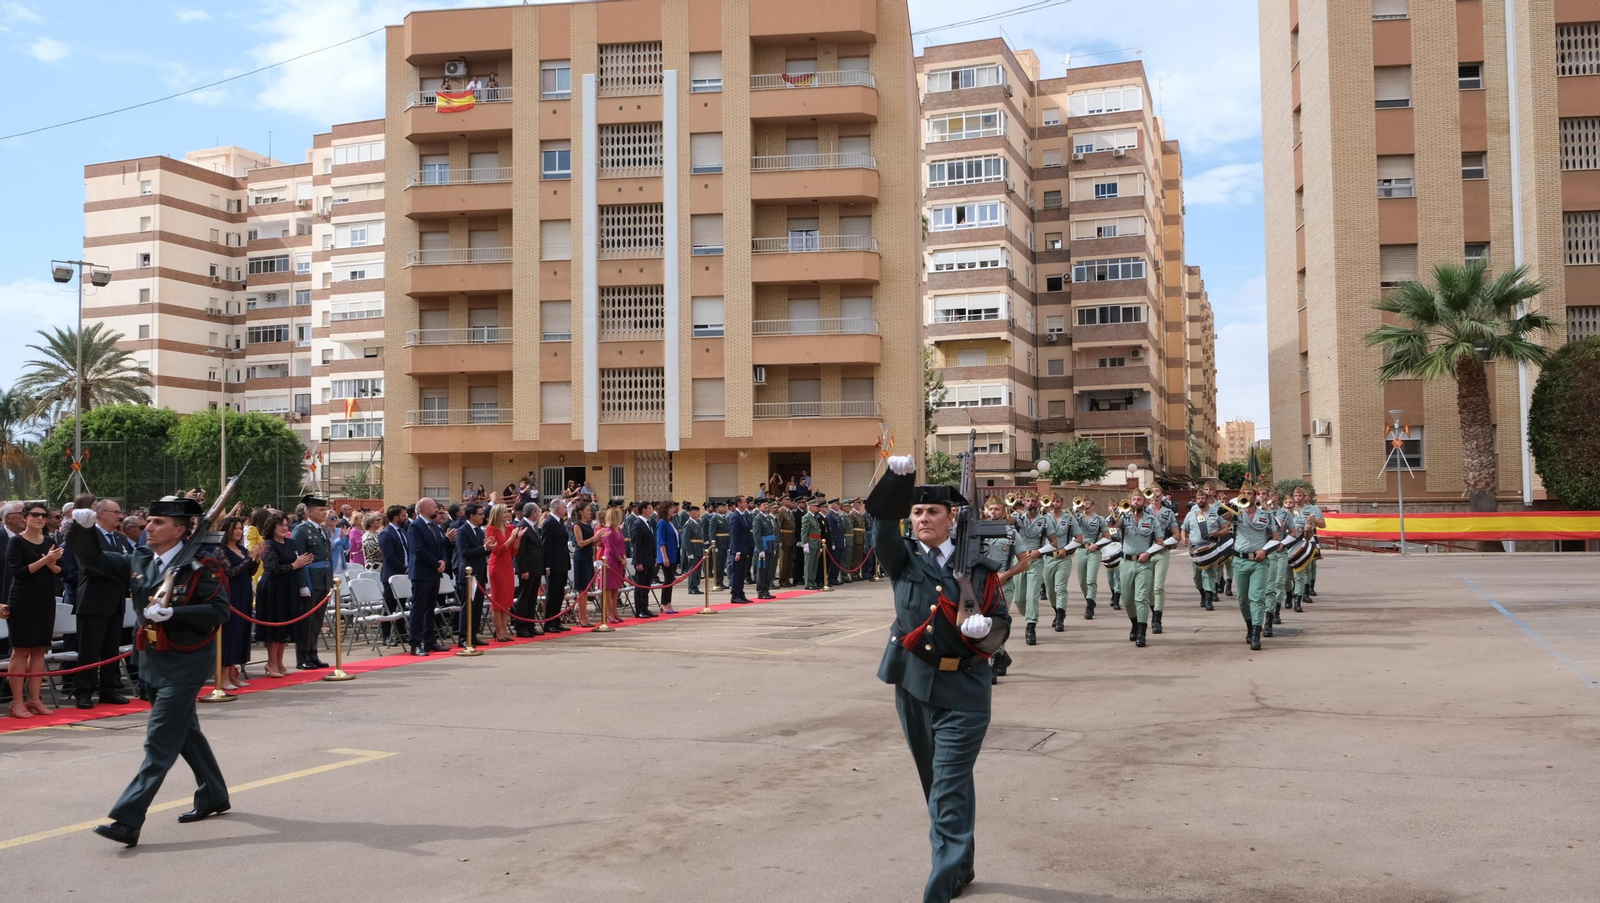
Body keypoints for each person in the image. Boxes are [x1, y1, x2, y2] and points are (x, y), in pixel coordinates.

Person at [869, 456, 1011, 902]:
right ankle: (962, 864)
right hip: (913, 685)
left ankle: (938, 889)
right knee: (939, 781)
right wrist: (897, 480)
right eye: (916, 512)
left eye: (932, 511)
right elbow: (881, 523)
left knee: (947, 788)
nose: (922, 518)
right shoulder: (903, 559)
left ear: (952, 518)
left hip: (965, 690)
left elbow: (1001, 621)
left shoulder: (981, 570)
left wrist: (988, 633)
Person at [69, 496, 233, 847]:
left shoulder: (202, 567)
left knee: (159, 742)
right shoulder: (142, 558)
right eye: (151, 521)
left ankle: (127, 819)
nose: (150, 526)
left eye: (159, 522)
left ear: (179, 530)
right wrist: (82, 531)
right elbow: (94, 561)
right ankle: (214, 794)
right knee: (186, 732)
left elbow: (219, 612)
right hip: (154, 660)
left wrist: (176, 615)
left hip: (187, 663)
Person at [70, 498, 136, 710]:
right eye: (115, 512)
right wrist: (118, 569)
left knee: (111, 649)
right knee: (89, 650)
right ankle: (84, 691)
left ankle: (109, 689)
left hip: (116, 600)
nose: (120, 516)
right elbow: (89, 566)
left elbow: (131, 565)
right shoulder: (90, 535)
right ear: (101, 514)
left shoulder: (120, 538)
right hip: (93, 600)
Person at [6, 503, 64, 717]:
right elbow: (18, 572)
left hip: (45, 599)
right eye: (35, 514)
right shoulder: (16, 542)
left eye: (43, 515)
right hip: (23, 600)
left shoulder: (50, 541)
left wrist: (52, 565)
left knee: (40, 649)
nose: (40, 518)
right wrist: (45, 560)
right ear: (25, 517)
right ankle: (17, 702)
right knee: (21, 649)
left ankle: (34, 699)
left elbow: (61, 570)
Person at [255, 513, 313, 677]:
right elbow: (272, 569)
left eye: (286, 524)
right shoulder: (269, 545)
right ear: (272, 527)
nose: (284, 527)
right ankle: (271, 663)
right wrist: (294, 565)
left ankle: (279, 663)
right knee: (274, 627)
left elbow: (295, 564)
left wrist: (304, 562)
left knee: (284, 626)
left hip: (289, 587)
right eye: (280, 524)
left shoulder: (291, 542)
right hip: (273, 588)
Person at [290, 495, 333, 670]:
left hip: (323, 579)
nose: (325, 513)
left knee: (317, 621)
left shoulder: (322, 530)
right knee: (306, 621)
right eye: (320, 510)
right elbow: (298, 559)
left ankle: (313, 654)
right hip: (310, 580)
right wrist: (302, 585)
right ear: (309, 512)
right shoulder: (301, 531)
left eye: (325, 509)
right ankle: (303, 657)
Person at [405, 498, 450, 656]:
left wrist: (443, 561)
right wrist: (436, 564)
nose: (437, 510)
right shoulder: (415, 526)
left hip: (434, 573)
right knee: (419, 609)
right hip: (422, 573)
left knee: (430, 608)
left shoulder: (434, 526)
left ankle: (429, 640)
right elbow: (419, 549)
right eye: (433, 507)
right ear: (425, 509)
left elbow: (441, 546)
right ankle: (415, 643)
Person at [217, 517, 256, 690]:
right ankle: (223, 676)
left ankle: (234, 673)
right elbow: (231, 572)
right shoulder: (221, 550)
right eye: (235, 528)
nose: (239, 531)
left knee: (241, 632)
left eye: (240, 528)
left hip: (245, 591)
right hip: (232, 593)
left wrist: (257, 558)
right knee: (230, 633)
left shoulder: (241, 548)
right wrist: (250, 558)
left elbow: (250, 571)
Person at [1010, 497, 1049, 646]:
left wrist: (1039, 551)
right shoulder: (1017, 518)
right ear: (1024, 503)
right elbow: (1007, 520)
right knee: (1019, 599)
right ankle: (1029, 616)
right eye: (1027, 501)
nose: (1030, 503)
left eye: (1033, 501)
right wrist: (1011, 504)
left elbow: (1054, 542)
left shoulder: (1045, 520)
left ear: (1037, 503)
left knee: (1032, 595)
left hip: (1036, 560)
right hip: (1019, 560)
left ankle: (1031, 627)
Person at [452, 503, 490, 648]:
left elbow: (481, 551)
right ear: (472, 515)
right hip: (468, 575)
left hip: (479, 573)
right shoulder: (462, 531)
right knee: (467, 606)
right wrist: (483, 548)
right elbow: (465, 553)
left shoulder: (480, 531)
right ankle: (463, 637)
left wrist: (487, 549)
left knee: (477, 606)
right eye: (480, 514)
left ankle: (473, 634)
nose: (483, 516)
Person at [1146, 486, 1182, 635]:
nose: (1154, 494)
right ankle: (1153, 611)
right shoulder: (1142, 511)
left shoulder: (1168, 513)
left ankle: (1157, 619)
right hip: (1146, 553)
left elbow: (1176, 535)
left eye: (1157, 491)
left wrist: (1163, 544)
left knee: (1158, 587)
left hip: (1161, 552)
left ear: (1162, 494)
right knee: (1148, 589)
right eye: (1151, 491)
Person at [483, 504, 519, 643]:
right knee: (498, 601)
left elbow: (514, 551)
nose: (508, 514)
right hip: (497, 566)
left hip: (508, 565)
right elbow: (497, 550)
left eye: (508, 512)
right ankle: (498, 632)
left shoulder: (510, 528)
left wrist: (518, 538)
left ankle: (504, 631)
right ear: (498, 514)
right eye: (505, 512)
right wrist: (511, 539)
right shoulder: (491, 529)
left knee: (507, 600)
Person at [376, 506, 410, 647]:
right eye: (403, 515)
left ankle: (401, 634)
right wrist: (405, 569)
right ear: (396, 517)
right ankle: (386, 635)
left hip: (403, 574)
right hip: (392, 575)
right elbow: (389, 557)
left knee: (401, 605)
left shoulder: (402, 531)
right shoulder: (386, 534)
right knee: (389, 606)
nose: (406, 517)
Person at [1042, 497, 1076, 634]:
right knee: (1050, 591)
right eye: (1053, 501)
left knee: (1060, 588)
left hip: (1063, 559)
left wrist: (1066, 549)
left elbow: (1079, 538)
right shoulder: (1043, 518)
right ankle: (1057, 612)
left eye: (1057, 501)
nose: (1054, 504)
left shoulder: (1069, 519)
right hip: (1048, 558)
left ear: (1062, 503)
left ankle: (1060, 618)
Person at [513, 503, 545, 636]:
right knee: (524, 598)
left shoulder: (533, 527)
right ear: (533, 513)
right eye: (538, 511)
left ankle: (530, 624)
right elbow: (520, 552)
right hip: (527, 569)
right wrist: (523, 570)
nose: (539, 513)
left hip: (536, 568)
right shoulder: (522, 526)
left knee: (532, 598)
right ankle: (520, 626)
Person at [541, 501, 571, 632]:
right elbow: (546, 546)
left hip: (562, 563)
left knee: (559, 593)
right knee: (553, 594)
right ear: (557, 508)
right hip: (553, 564)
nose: (566, 509)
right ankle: (549, 623)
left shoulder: (559, 522)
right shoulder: (549, 523)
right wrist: (546, 566)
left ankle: (556, 620)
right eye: (564, 507)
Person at [596, 506, 626, 625]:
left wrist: (624, 557)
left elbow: (622, 544)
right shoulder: (608, 529)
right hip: (610, 560)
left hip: (619, 560)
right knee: (609, 588)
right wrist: (619, 558)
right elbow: (611, 547)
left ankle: (615, 611)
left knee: (615, 588)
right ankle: (609, 612)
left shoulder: (619, 529)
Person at [570, 504, 597, 627]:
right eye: (587, 510)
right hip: (580, 557)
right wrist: (594, 538)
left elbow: (592, 542)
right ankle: (581, 616)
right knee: (582, 589)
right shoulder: (577, 525)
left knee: (586, 589)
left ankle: (585, 615)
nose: (590, 512)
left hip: (588, 556)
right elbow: (580, 543)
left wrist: (599, 538)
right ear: (581, 512)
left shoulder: (588, 525)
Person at [727, 497, 753, 604]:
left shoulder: (743, 515)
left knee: (742, 573)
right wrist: (737, 551)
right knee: (736, 573)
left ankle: (740, 593)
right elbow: (734, 535)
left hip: (744, 549)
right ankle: (735, 595)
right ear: (738, 503)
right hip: (738, 549)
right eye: (744, 502)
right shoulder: (735, 516)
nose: (746, 503)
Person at [656, 501, 681, 613]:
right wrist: (664, 556)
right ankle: (664, 603)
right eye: (671, 508)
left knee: (670, 579)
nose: (673, 510)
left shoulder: (670, 522)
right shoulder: (662, 522)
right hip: (666, 555)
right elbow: (661, 541)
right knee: (668, 579)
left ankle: (668, 602)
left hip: (673, 554)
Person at [752, 499, 776, 600]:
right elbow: (756, 535)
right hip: (763, 547)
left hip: (770, 546)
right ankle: (761, 591)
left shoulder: (770, 518)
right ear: (759, 507)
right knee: (762, 571)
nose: (766, 506)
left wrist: (773, 547)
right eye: (764, 505)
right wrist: (760, 550)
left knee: (768, 570)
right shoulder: (758, 518)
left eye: (767, 504)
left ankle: (766, 589)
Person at [801, 499, 825, 590]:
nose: (817, 508)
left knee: (814, 564)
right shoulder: (807, 517)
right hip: (810, 543)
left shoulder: (814, 517)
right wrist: (805, 543)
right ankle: (808, 583)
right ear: (810, 507)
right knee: (809, 564)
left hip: (816, 543)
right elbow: (804, 532)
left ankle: (812, 581)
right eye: (816, 506)